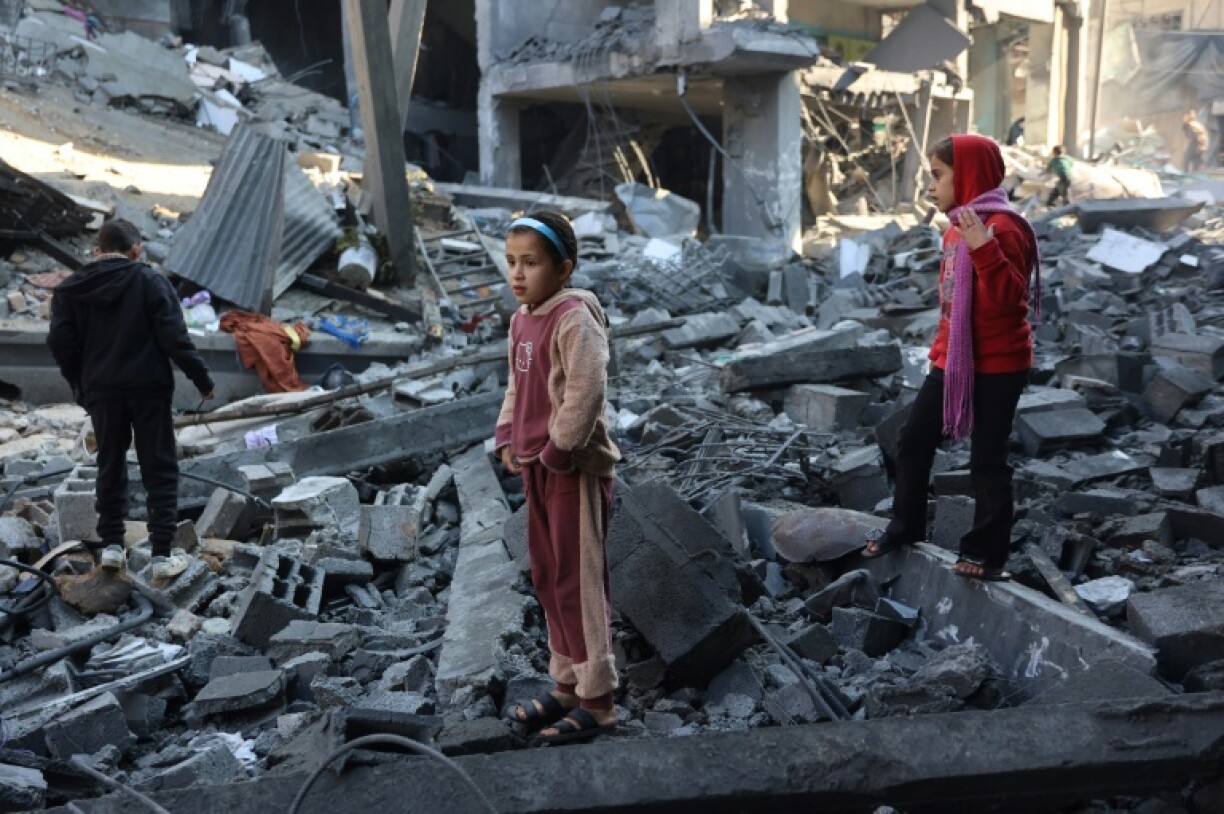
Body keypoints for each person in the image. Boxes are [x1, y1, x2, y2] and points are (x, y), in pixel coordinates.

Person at [862, 135, 1040, 581]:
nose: (930, 187)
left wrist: (984, 246)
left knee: (987, 462)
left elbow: (1009, 301)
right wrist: (939, 357)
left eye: (938, 176)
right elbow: (951, 307)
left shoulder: (1005, 228)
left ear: (971, 176)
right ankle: (905, 527)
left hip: (1000, 366)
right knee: (913, 440)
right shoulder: (954, 229)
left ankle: (985, 553)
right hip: (953, 363)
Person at [494, 211, 621, 744]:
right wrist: (506, 436)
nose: (518, 274)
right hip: (534, 468)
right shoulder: (522, 319)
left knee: (578, 580)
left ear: (563, 268)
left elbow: (586, 391)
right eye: (511, 263)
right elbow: (516, 388)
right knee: (548, 577)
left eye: (531, 263)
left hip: (569, 468)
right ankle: (567, 682)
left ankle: (599, 700)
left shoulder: (573, 318)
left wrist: (558, 448)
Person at [48, 219, 214, 584]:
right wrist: (202, 379)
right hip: (149, 389)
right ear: (137, 251)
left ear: (96, 252)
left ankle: (111, 547)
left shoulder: (71, 289)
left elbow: (61, 343)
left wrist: (82, 384)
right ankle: (161, 555)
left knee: (110, 462)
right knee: (160, 467)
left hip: (102, 391)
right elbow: (175, 338)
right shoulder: (151, 282)